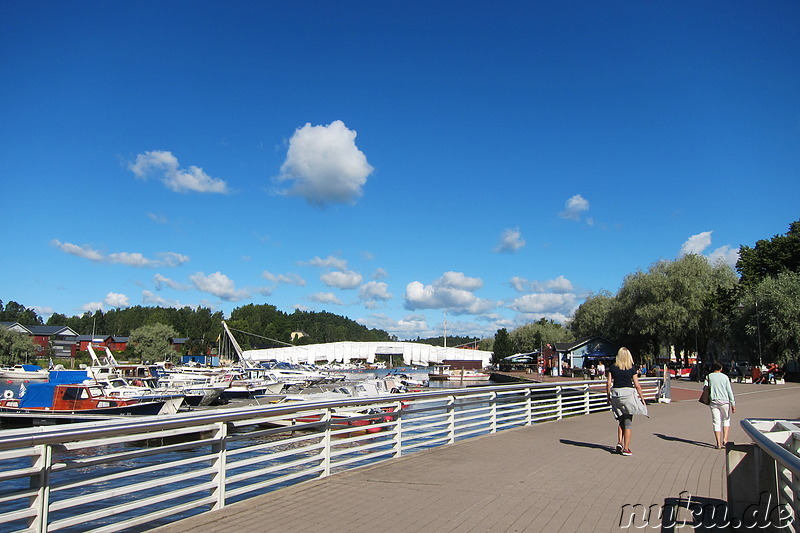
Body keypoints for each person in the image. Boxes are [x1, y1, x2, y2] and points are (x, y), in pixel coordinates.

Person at [606, 347, 647, 456]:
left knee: (620, 420)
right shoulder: (631, 368)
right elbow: (637, 385)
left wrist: (608, 396)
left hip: (616, 395)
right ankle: (626, 448)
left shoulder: (612, 367)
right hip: (628, 395)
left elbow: (608, 383)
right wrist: (642, 398)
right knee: (628, 421)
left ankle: (619, 442)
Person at [704, 362, 736, 449]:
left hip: (713, 401)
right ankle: (725, 440)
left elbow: (705, 388)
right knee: (726, 419)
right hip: (725, 401)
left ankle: (718, 443)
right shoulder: (725, 377)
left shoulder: (709, 377)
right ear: (721, 369)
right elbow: (729, 391)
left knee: (716, 421)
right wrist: (733, 403)